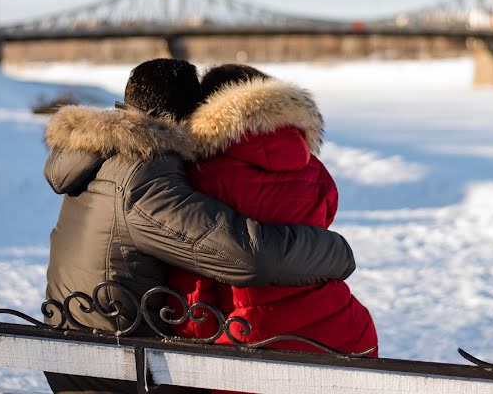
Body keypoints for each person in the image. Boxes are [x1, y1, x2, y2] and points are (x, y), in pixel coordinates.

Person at [42, 59, 356, 394]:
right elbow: (247, 257)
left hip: (80, 344)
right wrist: (336, 252)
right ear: (184, 121)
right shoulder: (142, 175)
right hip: (113, 370)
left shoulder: (100, 154)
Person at [168, 64, 378, 383]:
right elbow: (323, 218)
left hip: (254, 343)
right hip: (346, 332)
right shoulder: (310, 165)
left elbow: (195, 281)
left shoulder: (204, 175)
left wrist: (195, 336)